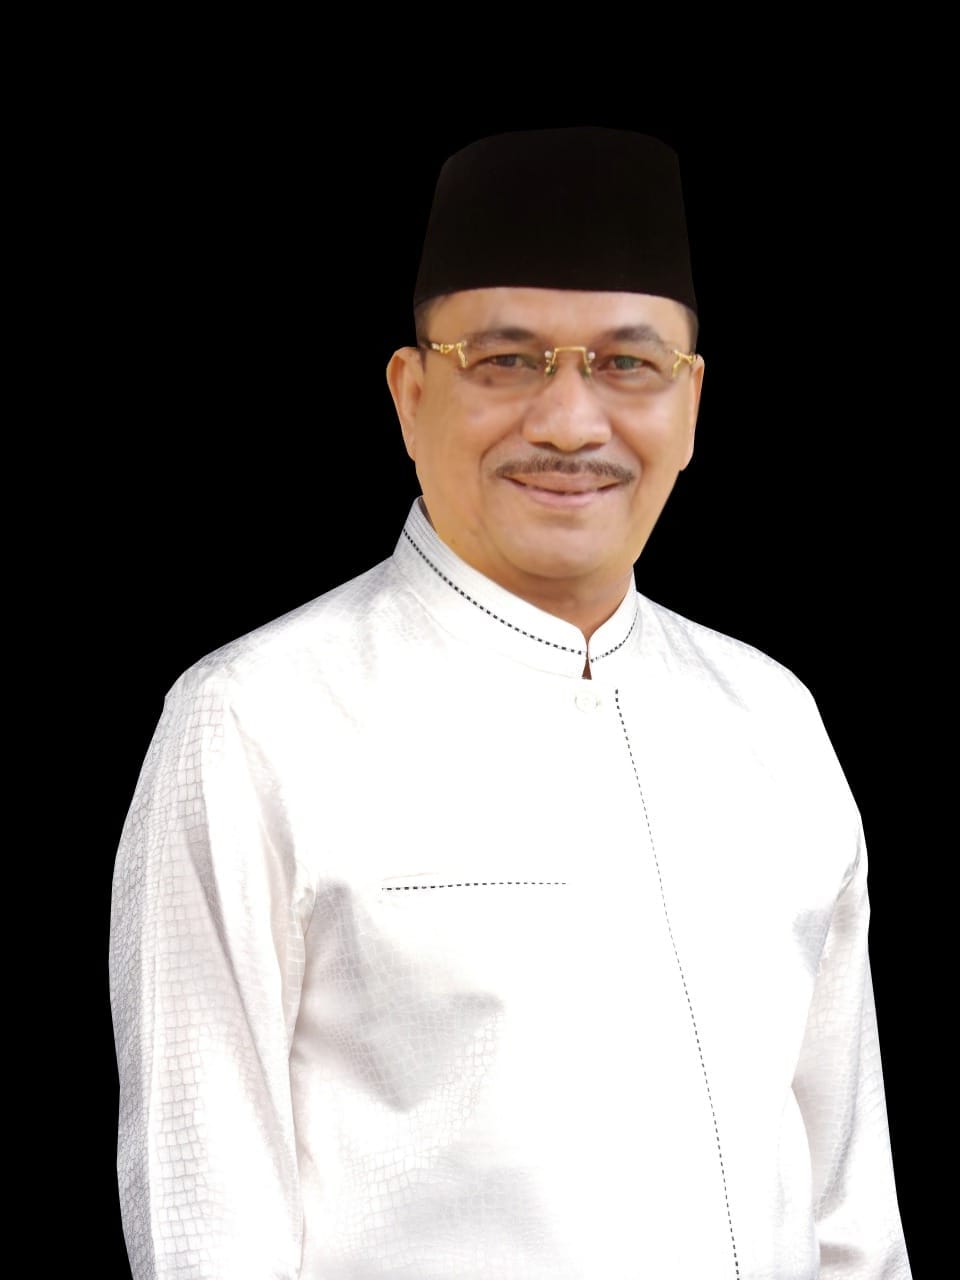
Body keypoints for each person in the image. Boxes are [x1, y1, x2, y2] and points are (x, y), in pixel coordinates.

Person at [108, 126, 911, 1279]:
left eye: (627, 363)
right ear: (410, 393)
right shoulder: (256, 721)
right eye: (506, 359)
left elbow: (850, 1211)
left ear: (690, 402)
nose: (571, 423)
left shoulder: (773, 720)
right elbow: (207, 1227)